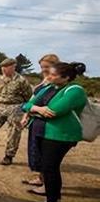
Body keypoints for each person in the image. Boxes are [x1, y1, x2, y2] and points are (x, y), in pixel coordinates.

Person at [21, 62, 87, 202]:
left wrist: (36, 109)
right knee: (47, 167)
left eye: (52, 74)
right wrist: (38, 109)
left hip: (61, 136)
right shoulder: (49, 88)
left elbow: (55, 111)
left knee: (50, 168)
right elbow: (26, 105)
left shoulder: (75, 91)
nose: (48, 77)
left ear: (66, 77)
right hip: (44, 133)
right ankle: (53, 200)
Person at [23, 53, 60, 191]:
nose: (43, 69)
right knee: (36, 151)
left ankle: (47, 186)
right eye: (42, 67)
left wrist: (32, 109)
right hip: (36, 120)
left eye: (46, 66)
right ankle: (40, 179)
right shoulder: (44, 80)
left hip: (47, 123)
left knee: (45, 155)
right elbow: (32, 100)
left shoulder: (58, 82)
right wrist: (26, 115)